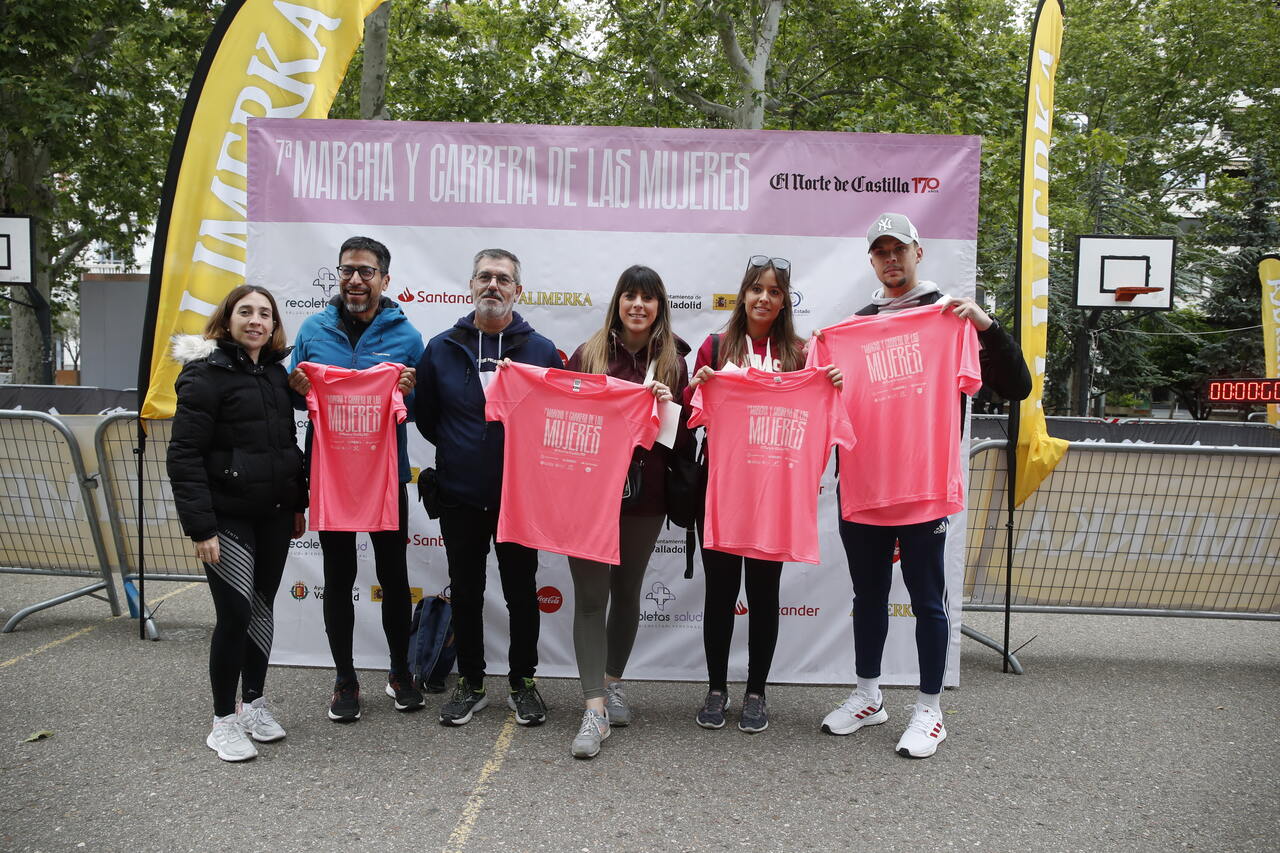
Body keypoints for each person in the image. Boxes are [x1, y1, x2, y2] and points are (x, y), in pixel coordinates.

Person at [818, 212, 1031, 758]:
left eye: (900, 249)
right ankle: (868, 697)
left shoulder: (950, 318)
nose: (891, 259)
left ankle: (930, 710)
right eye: (881, 251)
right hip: (863, 486)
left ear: (918, 252)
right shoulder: (853, 327)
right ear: (872, 260)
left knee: (927, 601)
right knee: (867, 598)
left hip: (925, 487)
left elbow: (1017, 386)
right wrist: (830, 382)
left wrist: (987, 326)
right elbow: (825, 406)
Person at [686, 255, 841, 734]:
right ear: (743, 294)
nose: (764, 298)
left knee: (764, 593)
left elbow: (821, 410)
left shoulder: (799, 353)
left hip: (775, 491)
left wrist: (831, 383)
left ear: (784, 301)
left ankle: (756, 692)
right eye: (757, 289)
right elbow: (694, 412)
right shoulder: (715, 347)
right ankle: (716, 688)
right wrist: (700, 386)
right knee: (720, 593)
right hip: (724, 487)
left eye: (774, 291)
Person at [415, 248, 562, 727]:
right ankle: (472, 682)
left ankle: (523, 682)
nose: (492, 285)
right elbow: (430, 418)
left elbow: (549, 422)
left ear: (518, 291)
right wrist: (465, 451)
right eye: (484, 277)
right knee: (469, 592)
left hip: (519, 499)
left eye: (503, 278)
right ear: (471, 286)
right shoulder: (442, 347)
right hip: (459, 494)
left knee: (522, 593)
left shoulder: (540, 350)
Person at [167, 285, 307, 762]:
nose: (256, 321)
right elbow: (184, 455)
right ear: (226, 320)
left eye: (264, 314)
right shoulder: (203, 375)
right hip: (226, 518)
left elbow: (285, 446)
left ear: (273, 325)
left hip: (273, 514)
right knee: (235, 614)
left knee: (263, 608)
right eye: (245, 312)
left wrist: (296, 503)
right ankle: (223, 720)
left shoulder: (274, 373)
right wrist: (201, 527)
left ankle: (254, 705)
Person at [287, 236, 424, 722]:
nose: (356, 280)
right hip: (331, 477)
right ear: (338, 275)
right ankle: (344, 679)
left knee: (394, 576)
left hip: (386, 478)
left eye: (366, 271)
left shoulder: (407, 337)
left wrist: (411, 390)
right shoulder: (312, 330)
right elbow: (287, 399)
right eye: (348, 270)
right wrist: (294, 387)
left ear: (385, 280)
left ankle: (400, 671)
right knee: (339, 576)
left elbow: (423, 411)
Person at [562, 264, 689, 759]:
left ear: (660, 306)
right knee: (591, 598)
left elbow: (681, 441)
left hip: (646, 497)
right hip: (587, 498)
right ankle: (593, 708)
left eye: (648, 298)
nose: (638, 305)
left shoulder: (674, 362)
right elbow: (563, 419)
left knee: (627, 591)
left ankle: (611, 681)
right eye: (630, 296)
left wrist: (666, 405)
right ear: (618, 301)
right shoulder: (587, 355)